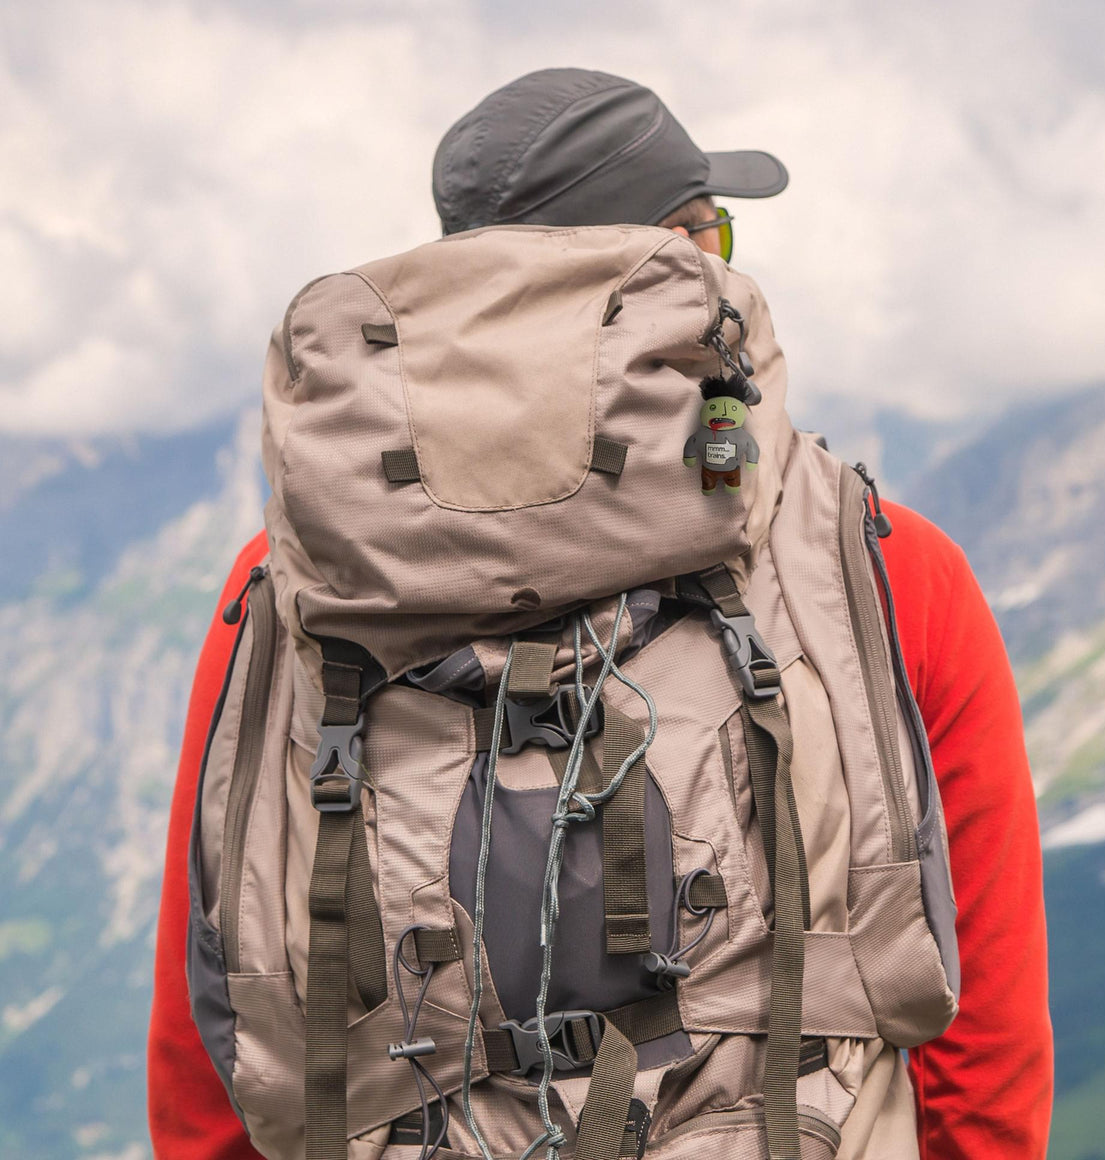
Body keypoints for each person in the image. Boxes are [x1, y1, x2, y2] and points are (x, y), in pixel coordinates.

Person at [148, 68, 1052, 1158]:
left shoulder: (294, 585)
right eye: (711, 236)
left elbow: (221, 1035)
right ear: (671, 259)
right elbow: (982, 1047)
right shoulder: (884, 568)